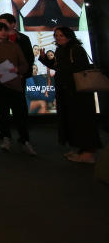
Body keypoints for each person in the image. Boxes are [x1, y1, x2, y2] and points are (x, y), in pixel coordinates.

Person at [0, 20, 35, 155]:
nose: (3, 32)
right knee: (2, 112)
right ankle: (6, 138)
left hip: (15, 84)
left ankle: (25, 140)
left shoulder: (15, 46)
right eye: (0, 29)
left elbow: (24, 64)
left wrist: (17, 69)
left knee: (20, 113)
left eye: (5, 29)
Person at [50, 26, 101, 163]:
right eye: (56, 35)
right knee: (74, 121)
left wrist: (63, 71)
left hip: (78, 93)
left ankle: (88, 153)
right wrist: (45, 59)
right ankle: (81, 150)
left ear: (69, 35)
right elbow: (59, 67)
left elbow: (79, 68)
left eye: (61, 35)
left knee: (82, 121)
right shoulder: (61, 49)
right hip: (68, 91)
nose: (58, 37)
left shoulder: (76, 49)